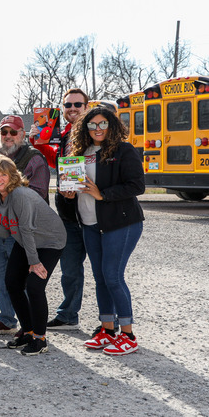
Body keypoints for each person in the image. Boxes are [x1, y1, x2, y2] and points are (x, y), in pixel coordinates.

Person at [64, 106, 145, 356]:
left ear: (111, 125)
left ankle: (128, 335)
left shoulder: (123, 150)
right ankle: (107, 330)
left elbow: (137, 186)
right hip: (89, 223)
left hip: (120, 222)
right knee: (100, 279)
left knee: (113, 276)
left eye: (102, 124)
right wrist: (68, 193)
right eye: (92, 125)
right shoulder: (80, 152)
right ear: (84, 128)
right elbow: (77, 186)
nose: (97, 129)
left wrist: (103, 194)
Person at [0, 156, 66, 355]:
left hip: (50, 241)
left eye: (3, 175)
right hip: (26, 241)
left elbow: (26, 228)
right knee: (12, 282)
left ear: (12, 176)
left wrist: (34, 262)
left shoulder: (20, 194)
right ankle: (28, 331)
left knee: (34, 285)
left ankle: (40, 339)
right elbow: (5, 231)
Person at [30, 88, 90, 330]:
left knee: (106, 273)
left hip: (95, 214)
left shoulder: (97, 133)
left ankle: (110, 322)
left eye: (78, 104)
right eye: (68, 105)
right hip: (67, 213)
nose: (73, 109)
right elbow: (56, 161)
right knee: (70, 270)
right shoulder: (63, 133)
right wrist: (37, 140)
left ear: (87, 106)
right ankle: (68, 315)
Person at [0, 115, 50, 336]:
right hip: (1, 227)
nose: (8, 136)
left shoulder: (34, 158)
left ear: (23, 134)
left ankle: (30, 324)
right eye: (4, 132)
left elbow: (38, 196)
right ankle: (7, 319)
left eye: (13, 132)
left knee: (22, 278)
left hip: (23, 231)